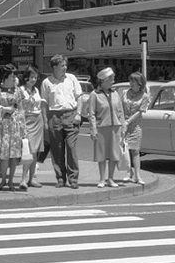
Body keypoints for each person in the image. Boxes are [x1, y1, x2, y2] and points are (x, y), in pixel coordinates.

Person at [40, 54, 83, 188]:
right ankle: (60, 178)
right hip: (54, 116)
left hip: (70, 114)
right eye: (62, 65)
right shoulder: (47, 82)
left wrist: (79, 114)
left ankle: (73, 179)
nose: (65, 67)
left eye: (65, 65)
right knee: (57, 149)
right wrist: (45, 121)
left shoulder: (71, 79)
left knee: (71, 147)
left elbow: (79, 96)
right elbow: (44, 103)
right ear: (54, 67)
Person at [88, 66, 126, 188]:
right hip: (101, 127)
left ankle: (111, 178)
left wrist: (123, 126)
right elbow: (91, 113)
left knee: (114, 154)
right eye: (111, 79)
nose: (113, 81)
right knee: (102, 155)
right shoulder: (95, 94)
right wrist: (93, 129)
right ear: (103, 80)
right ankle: (102, 179)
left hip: (115, 127)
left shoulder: (115, 93)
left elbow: (120, 111)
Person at [0, 63, 24, 191]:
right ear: (5, 77)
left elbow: (21, 109)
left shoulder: (18, 90)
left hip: (15, 124)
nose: (14, 77)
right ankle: (3, 179)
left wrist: (23, 127)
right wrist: (5, 109)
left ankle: (11, 180)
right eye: (12, 75)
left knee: (14, 154)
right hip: (3, 124)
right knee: (4, 154)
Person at [16, 65, 45, 189]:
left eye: (35, 77)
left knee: (35, 152)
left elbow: (39, 106)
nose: (33, 80)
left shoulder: (36, 90)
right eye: (31, 77)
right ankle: (23, 179)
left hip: (38, 121)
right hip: (27, 121)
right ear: (26, 77)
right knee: (29, 151)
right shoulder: (21, 90)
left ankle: (31, 178)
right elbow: (19, 108)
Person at [120, 71, 151, 185]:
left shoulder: (144, 97)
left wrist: (129, 121)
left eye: (134, 81)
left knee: (135, 151)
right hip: (124, 125)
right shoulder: (124, 93)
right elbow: (120, 107)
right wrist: (122, 121)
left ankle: (137, 175)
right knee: (125, 150)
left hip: (135, 126)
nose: (131, 83)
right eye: (130, 81)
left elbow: (140, 112)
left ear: (140, 83)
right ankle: (129, 173)